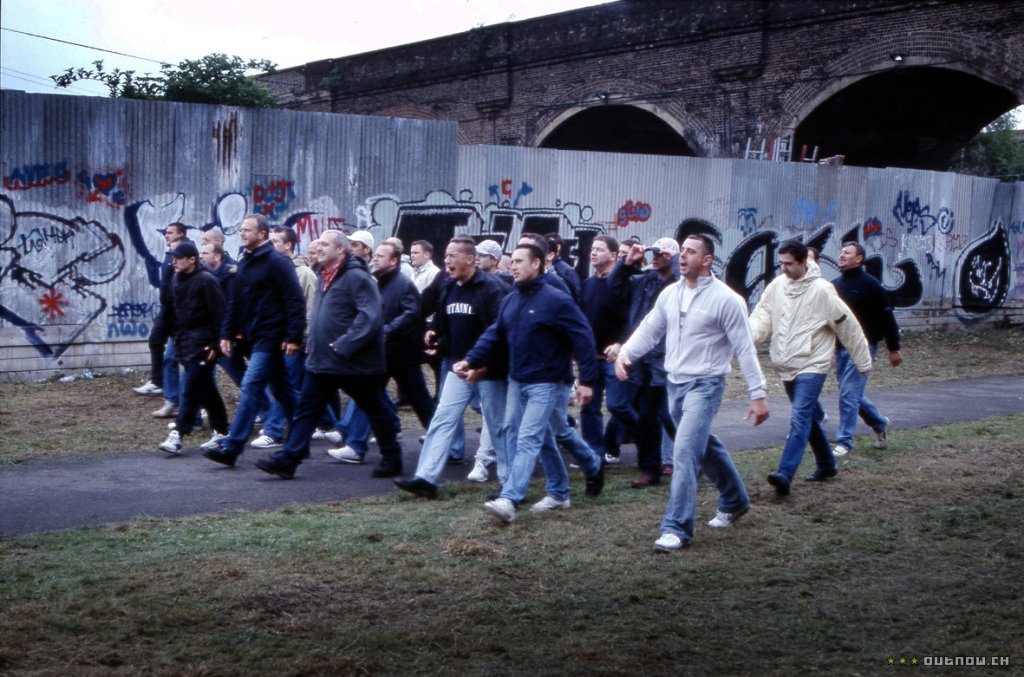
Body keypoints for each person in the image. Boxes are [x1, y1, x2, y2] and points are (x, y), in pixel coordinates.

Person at [616, 235, 769, 552]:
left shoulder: (727, 300)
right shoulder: (670, 294)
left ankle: (676, 528)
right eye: (681, 251)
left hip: (706, 385)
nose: (682, 256)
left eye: (690, 252)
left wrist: (758, 394)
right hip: (675, 384)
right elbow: (650, 328)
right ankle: (735, 499)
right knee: (703, 444)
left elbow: (744, 348)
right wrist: (626, 353)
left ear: (708, 260)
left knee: (684, 453)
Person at [457, 243, 604, 524]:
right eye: (512, 262)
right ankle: (567, 486)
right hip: (517, 380)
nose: (512, 266)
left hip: (547, 382)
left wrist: (587, 380)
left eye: (519, 261)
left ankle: (510, 499)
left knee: (529, 438)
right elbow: (495, 333)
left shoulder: (556, 299)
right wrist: (471, 359)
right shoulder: (511, 300)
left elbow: (583, 337)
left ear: (536, 264)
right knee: (546, 436)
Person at [254, 230, 405, 479]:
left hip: (354, 362)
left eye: (325, 244)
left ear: (341, 251)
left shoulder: (356, 277)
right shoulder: (324, 276)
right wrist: (311, 343)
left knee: (376, 408)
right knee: (307, 409)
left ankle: (392, 457)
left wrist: (346, 344)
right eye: (318, 244)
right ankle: (289, 459)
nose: (319, 248)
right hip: (323, 360)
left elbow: (370, 316)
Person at [749, 241, 871, 496]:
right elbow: (762, 317)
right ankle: (827, 464)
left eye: (789, 264)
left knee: (800, 417)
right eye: (781, 263)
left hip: (813, 364)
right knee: (807, 419)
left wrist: (862, 361)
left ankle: (784, 474)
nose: (783, 268)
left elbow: (847, 326)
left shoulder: (822, 290)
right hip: (786, 362)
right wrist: (746, 340)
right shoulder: (777, 286)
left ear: (804, 262)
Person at [393, 237, 509, 498]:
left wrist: (485, 365)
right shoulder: (449, 285)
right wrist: (436, 335)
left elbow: (500, 332)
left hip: (488, 370)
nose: (447, 261)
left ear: (470, 259)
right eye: (446, 255)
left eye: (453, 256)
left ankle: (510, 483)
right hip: (457, 366)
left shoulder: (492, 289)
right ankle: (426, 478)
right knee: (442, 419)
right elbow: (446, 320)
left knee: (498, 425)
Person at [202, 213, 306, 469]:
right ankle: (301, 441)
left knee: (251, 384)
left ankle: (232, 446)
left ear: (262, 234)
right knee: (285, 392)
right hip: (253, 335)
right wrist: (226, 333)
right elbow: (235, 302)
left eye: (247, 230)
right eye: (241, 230)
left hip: (271, 337)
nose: (242, 234)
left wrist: (294, 335)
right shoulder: (245, 261)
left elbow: (295, 300)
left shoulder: (278, 261)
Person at [609, 236, 680, 484]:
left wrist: (678, 263)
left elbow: (690, 285)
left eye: (663, 254)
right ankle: (650, 468)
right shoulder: (645, 280)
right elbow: (615, 288)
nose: (656, 257)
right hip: (642, 358)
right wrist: (627, 263)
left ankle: (692, 460)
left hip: (669, 359)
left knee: (669, 416)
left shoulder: (680, 283)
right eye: (654, 253)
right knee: (646, 416)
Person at [250, 226, 320, 449]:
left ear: (288, 245)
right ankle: (324, 424)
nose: (270, 246)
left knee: (286, 384)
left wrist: (303, 338)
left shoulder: (304, 273)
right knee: (289, 388)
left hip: (295, 340)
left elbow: (309, 309)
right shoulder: (273, 268)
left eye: (275, 242)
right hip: (276, 338)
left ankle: (274, 431)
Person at [158, 241, 230, 454]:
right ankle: (222, 432)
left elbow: (220, 313)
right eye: (173, 257)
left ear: (192, 259)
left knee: (189, 389)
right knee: (207, 390)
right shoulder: (176, 279)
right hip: (185, 344)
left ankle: (178, 435)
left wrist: (217, 344)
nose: (174, 262)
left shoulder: (206, 281)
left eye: (179, 258)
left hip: (205, 346)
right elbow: (171, 310)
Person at [831, 241, 902, 456]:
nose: (842, 256)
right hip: (840, 348)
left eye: (847, 253)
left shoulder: (871, 285)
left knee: (848, 394)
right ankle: (880, 423)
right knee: (851, 393)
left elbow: (886, 316)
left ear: (859, 258)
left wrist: (894, 348)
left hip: (864, 347)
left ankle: (844, 441)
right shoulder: (833, 285)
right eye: (841, 252)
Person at [373, 240, 436, 430]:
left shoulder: (403, 284)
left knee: (419, 399)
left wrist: (388, 330)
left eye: (380, 256)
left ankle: (442, 440)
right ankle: (354, 440)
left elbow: (411, 314)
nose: (375, 259)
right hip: (387, 351)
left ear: (393, 261)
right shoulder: (380, 282)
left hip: (402, 353)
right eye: (375, 255)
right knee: (370, 393)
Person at [579, 234, 629, 464]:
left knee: (618, 405)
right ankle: (594, 453)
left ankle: (616, 444)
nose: (593, 252)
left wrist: (621, 344)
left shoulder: (622, 285)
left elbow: (633, 320)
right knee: (588, 407)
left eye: (600, 249)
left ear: (614, 255)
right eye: (592, 248)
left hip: (615, 359)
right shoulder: (588, 285)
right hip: (590, 358)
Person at [133, 222, 186, 412]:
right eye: (165, 232)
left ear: (181, 234)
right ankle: (161, 385)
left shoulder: (184, 254)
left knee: (176, 358)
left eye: (170, 232)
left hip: (178, 312)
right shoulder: (170, 254)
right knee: (157, 343)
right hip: (167, 309)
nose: (166, 235)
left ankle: (183, 401)